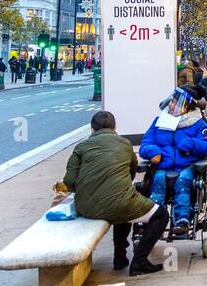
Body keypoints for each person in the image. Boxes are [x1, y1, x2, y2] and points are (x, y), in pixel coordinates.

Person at [53, 110, 169, 276]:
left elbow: (69, 182)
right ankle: (140, 261)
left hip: (86, 208)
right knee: (161, 214)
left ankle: (120, 258)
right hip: (120, 203)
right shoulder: (124, 144)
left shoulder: (81, 147)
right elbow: (132, 172)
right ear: (115, 127)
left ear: (91, 129)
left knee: (123, 205)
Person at [139, 86, 207, 236]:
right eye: (171, 102)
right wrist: (153, 151)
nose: (171, 105)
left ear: (187, 107)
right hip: (163, 165)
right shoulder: (160, 121)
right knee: (158, 180)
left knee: (184, 181)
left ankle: (182, 219)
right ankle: (154, 218)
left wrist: (191, 144)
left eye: (176, 103)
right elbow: (146, 142)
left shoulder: (197, 123)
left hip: (186, 165)